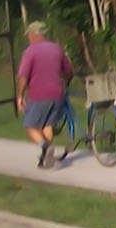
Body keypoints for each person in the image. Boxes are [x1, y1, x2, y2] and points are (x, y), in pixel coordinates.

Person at [16, 21, 74, 169]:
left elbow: (23, 76)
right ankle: (45, 160)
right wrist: (65, 83)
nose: (28, 38)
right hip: (57, 95)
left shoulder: (30, 51)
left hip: (39, 96)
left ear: (33, 35)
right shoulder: (57, 49)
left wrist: (20, 95)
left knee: (30, 126)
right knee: (47, 125)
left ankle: (46, 147)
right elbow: (69, 71)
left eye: (29, 35)